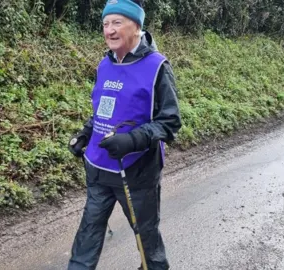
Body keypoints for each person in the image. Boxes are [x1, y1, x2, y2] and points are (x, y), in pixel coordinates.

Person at [67, 0, 181, 269]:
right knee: (87, 237)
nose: (109, 30)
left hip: (137, 171)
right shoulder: (104, 65)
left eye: (117, 22)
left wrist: (132, 141)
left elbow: (170, 121)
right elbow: (103, 110)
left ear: (136, 26)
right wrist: (85, 134)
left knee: (147, 241)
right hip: (98, 167)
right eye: (105, 24)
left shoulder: (157, 67)